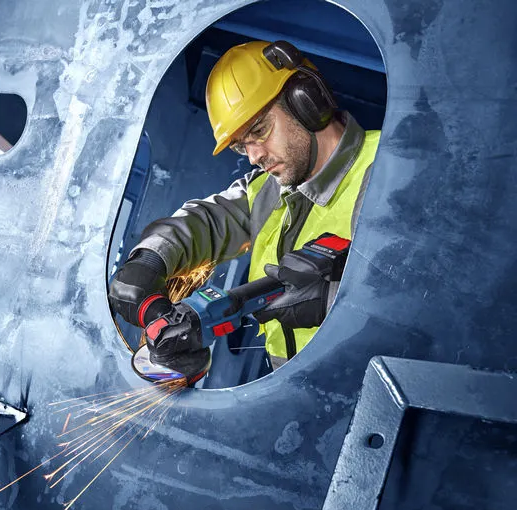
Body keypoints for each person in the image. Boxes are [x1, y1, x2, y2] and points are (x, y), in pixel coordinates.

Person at [108, 40, 380, 361]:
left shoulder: (385, 172)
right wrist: (149, 261)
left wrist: (336, 300)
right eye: (241, 146)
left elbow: (434, 294)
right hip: (292, 387)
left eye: (259, 130)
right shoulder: (268, 189)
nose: (253, 157)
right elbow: (204, 221)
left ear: (306, 102)